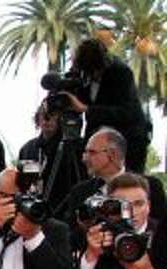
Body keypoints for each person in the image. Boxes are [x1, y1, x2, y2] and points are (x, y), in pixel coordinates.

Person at [62, 37, 154, 174]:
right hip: (98, 138)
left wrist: (86, 109)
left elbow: (127, 112)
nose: (92, 77)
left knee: (126, 182)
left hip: (129, 139)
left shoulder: (120, 72)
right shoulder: (82, 74)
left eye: (93, 73)